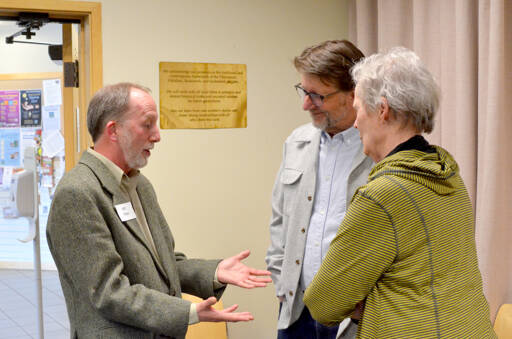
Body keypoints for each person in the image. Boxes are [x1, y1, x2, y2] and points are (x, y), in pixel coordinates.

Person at [46, 82, 272, 339]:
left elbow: (162, 266)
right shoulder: (77, 193)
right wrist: (189, 312)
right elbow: (109, 291)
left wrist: (214, 271)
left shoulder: (139, 185)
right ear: (114, 130)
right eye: (147, 124)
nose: (157, 135)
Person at [303, 47, 497, 338]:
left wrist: (370, 297)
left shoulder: (382, 195)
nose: (355, 123)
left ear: (382, 110)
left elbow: (323, 303)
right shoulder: (447, 174)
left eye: (358, 110)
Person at [265, 40, 374, 339]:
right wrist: (280, 278)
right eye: (303, 91)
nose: (305, 104)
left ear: (354, 94)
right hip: (297, 310)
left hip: (352, 318)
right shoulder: (297, 142)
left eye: (317, 95)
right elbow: (279, 219)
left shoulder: (379, 151)